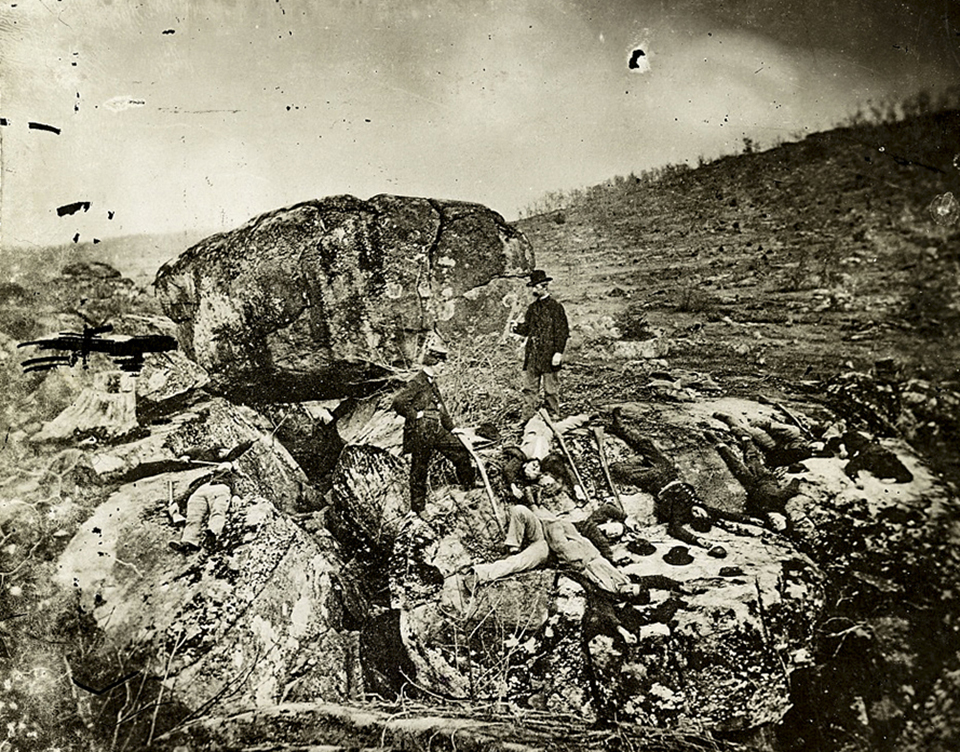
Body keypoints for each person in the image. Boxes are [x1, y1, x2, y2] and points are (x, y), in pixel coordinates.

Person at [392, 341, 476, 514]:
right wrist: (416, 414)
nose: (444, 367)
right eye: (442, 364)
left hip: (436, 429)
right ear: (434, 363)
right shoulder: (417, 381)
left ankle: (468, 485)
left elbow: (441, 408)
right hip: (420, 431)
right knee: (419, 468)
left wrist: (452, 428)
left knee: (460, 450)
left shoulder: (431, 382)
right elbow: (399, 402)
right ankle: (418, 508)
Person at [513, 269, 569, 422]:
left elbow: (562, 332)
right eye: (532, 286)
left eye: (535, 287)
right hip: (533, 354)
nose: (533, 290)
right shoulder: (532, 308)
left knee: (550, 389)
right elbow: (528, 329)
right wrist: (516, 327)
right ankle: (527, 418)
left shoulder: (555, 307)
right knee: (529, 389)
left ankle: (553, 416)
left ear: (544, 286)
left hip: (550, 354)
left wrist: (558, 352)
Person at [169, 460, 239, 553]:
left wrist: (236, 496)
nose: (224, 466)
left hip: (221, 488)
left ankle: (212, 534)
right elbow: (192, 489)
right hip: (201, 491)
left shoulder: (230, 475)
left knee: (218, 510)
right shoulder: (207, 476)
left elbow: (235, 485)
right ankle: (189, 542)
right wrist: (178, 502)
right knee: (193, 516)